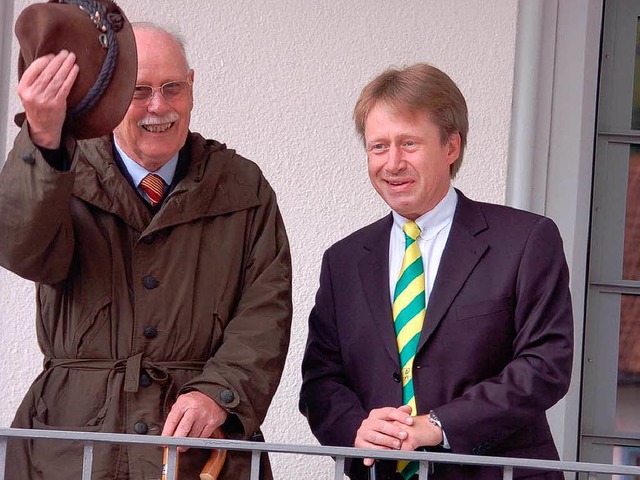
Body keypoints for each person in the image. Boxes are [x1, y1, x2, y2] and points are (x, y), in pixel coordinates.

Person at [0, 13, 292, 480]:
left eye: (173, 87)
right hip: (74, 447)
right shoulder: (63, 171)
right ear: (114, 95)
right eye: (139, 91)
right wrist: (43, 138)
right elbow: (20, 248)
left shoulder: (242, 186)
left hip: (198, 447)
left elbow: (266, 310)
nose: (159, 106)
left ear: (193, 85)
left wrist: (218, 394)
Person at [299, 63, 573, 480]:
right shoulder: (344, 261)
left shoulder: (525, 239)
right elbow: (321, 380)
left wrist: (439, 425)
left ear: (451, 147)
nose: (392, 163)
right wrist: (356, 429)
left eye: (409, 143)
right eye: (378, 146)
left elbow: (544, 364)